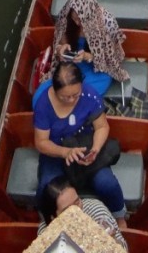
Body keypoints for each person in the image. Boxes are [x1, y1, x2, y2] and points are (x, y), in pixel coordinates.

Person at [33, 62, 127, 226]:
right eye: (65, 97)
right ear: (55, 90)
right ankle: (49, 223)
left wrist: (95, 149)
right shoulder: (43, 105)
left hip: (85, 147)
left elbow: (102, 126)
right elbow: (41, 142)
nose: (71, 100)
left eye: (75, 95)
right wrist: (65, 152)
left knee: (107, 183)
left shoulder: (90, 95)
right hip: (56, 154)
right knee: (45, 189)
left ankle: (119, 215)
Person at [52, 0, 130, 96]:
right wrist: (61, 49)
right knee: (60, 88)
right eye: (74, 19)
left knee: (82, 94)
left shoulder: (107, 22)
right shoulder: (66, 18)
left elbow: (110, 58)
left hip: (98, 67)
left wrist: (86, 56)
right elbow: (59, 43)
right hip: (72, 63)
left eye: (81, 20)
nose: (77, 23)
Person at [40, 179, 128, 249]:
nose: (77, 211)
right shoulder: (46, 232)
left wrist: (111, 242)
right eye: (67, 210)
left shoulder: (96, 211)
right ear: (53, 217)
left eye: (77, 202)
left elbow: (124, 248)